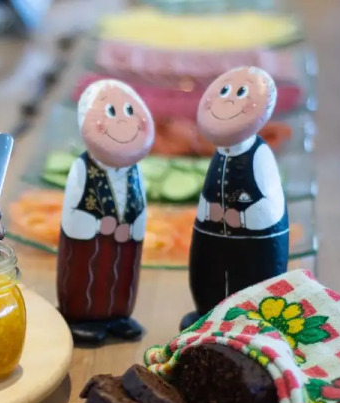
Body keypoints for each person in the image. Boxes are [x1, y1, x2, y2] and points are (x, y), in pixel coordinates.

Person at [180, 66, 289, 331]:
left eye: (239, 93)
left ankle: (250, 323)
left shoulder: (260, 154)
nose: (228, 100)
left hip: (254, 244)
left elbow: (271, 207)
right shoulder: (220, 153)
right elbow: (207, 196)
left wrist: (241, 217)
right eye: (225, 91)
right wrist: (209, 213)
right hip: (212, 238)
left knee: (250, 281)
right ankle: (208, 313)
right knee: (208, 275)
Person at [57, 79, 154, 343]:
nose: (123, 120)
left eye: (130, 111)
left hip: (127, 244)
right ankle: (82, 317)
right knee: (88, 277)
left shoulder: (134, 168)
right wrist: (98, 225)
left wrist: (134, 228)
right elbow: (72, 213)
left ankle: (118, 316)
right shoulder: (82, 167)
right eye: (111, 111)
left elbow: (140, 205)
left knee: (123, 276)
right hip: (90, 245)